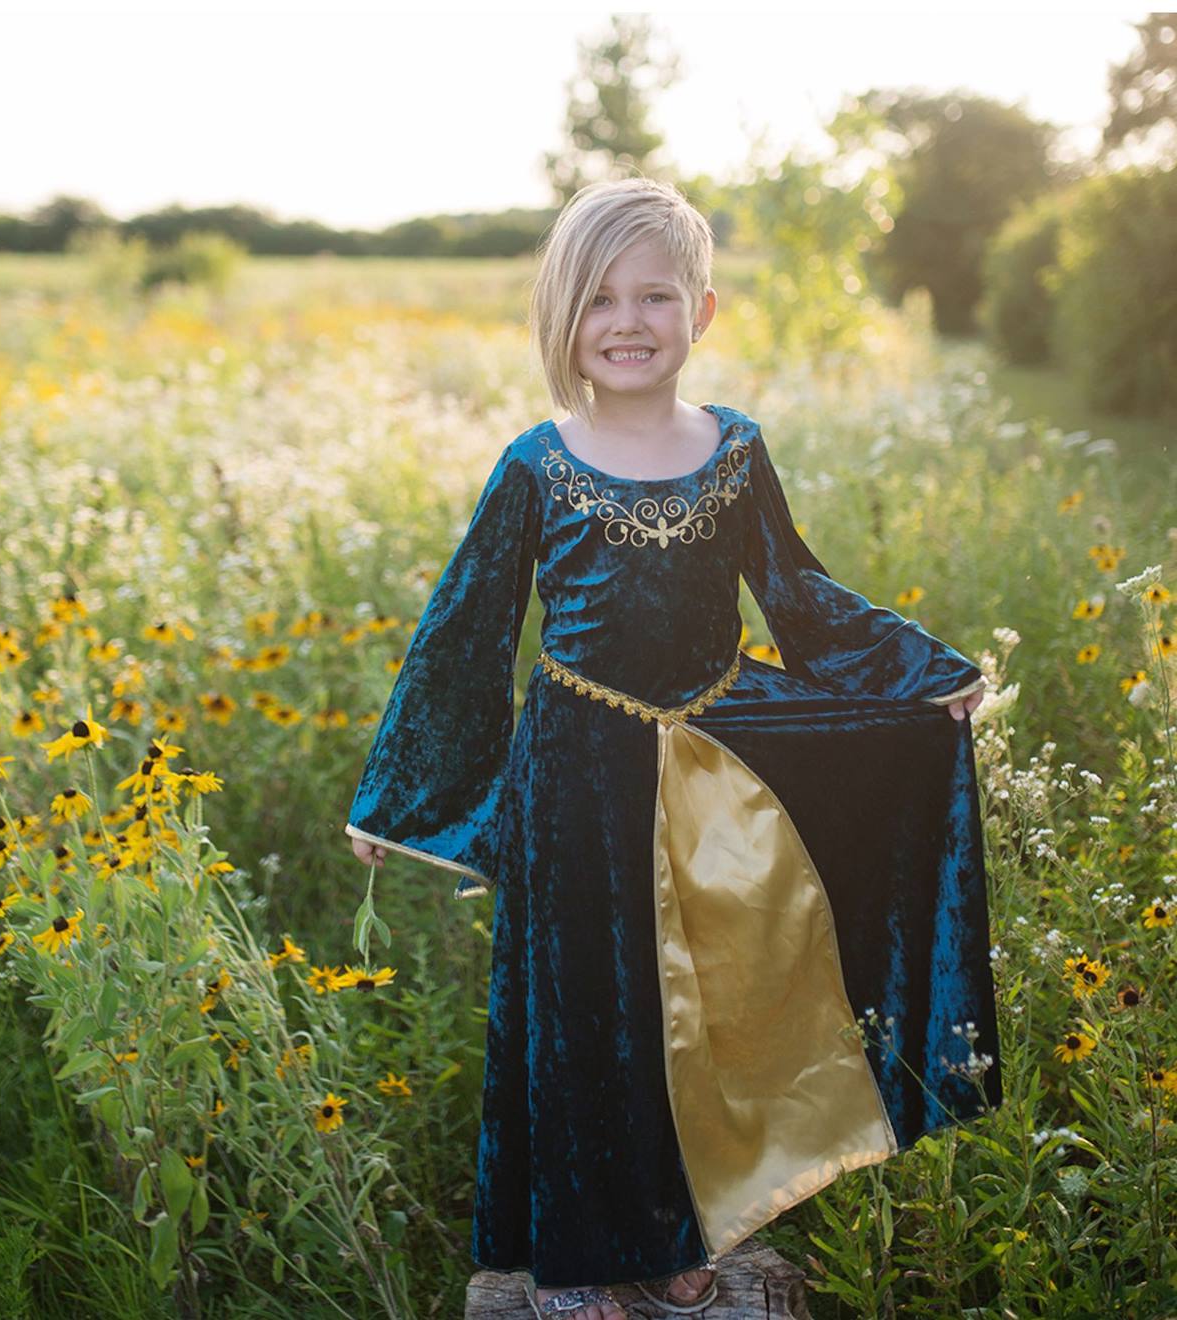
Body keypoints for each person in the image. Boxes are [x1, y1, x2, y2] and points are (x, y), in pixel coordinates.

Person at [344, 177, 1001, 1320]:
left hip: (712, 760)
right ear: (562, 319)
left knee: (697, 1010)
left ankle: (683, 1229)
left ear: (702, 313)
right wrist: (396, 796)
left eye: (656, 295)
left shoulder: (734, 451)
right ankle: (583, 1261)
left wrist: (921, 677)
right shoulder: (536, 465)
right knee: (586, 1015)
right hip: (578, 779)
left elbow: (797, 593)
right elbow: (464, 632)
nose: (628, 321)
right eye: (599, 300)